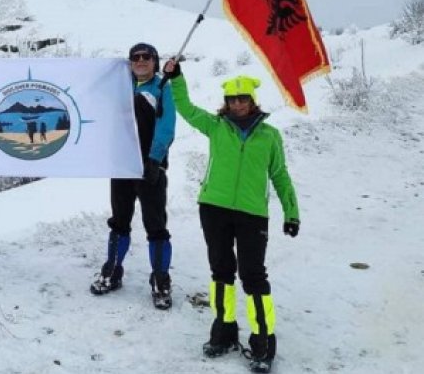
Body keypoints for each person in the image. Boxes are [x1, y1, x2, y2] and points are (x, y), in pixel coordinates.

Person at [162, 59, 299, 373]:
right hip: (214, 208)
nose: (237, 104)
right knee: (221, 271)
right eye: (232, 99)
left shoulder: (269, 136)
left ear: (252, 101)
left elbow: (280, 175)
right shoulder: (215, 126)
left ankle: (263, 340)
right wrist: (177, 78)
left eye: (243, 99)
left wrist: (291, 212)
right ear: (226, 103)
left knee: (253, 276)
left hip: (252, 213)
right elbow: (185, 107)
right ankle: (223, 331)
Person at [90, 42, 176, 310]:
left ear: (154, 61)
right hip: (121, 167)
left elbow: (167, 125)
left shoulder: (161, 88)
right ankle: (112, 271)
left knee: (156, 226)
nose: (140, 61)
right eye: (135, 58)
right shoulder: (120, 87)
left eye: (146, 57)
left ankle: (160, 280)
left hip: (149, 169)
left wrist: (155, 158)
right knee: (119, 221)